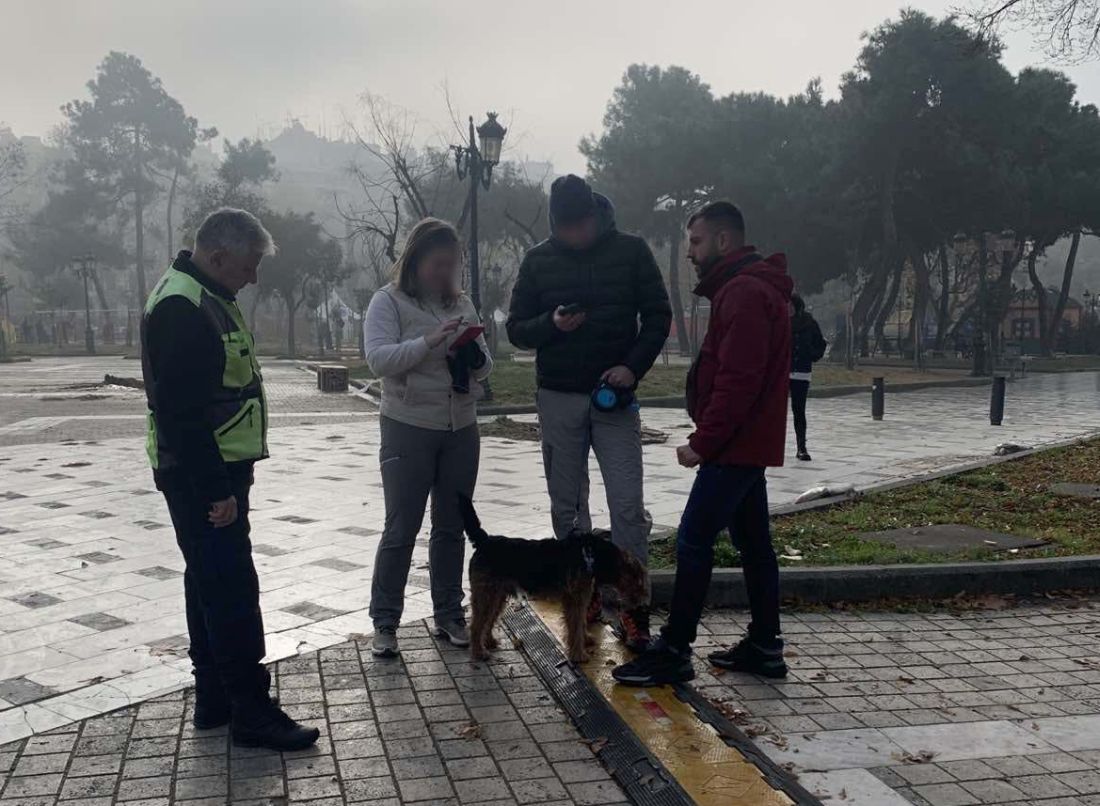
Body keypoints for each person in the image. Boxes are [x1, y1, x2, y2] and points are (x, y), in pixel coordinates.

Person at [141, 208, 319, 751]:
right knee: (232, 589)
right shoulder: (183, 306)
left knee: (208, 582)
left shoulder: (206, 296)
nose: (254, 277)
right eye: (249, 265)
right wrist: (216, 490)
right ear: (216, 257)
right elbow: (180, 412)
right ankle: (251, 711)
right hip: (202, 475)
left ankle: (214, 698)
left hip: (211, 470)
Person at [613, 201, 792, 686]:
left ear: (723, 241)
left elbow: (739, 381)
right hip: (746, 444)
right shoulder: (747, 289)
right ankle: (765, 645)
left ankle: (674, 649)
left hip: (734, 446)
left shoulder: (745, 294)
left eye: (695, 242)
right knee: (755, 545)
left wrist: (703, 442)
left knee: (693, 539)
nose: (689, 253)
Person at [506, 174, 671, 651]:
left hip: (613, 396)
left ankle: (636, 610)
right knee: (567, 507)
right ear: (554, 224)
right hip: (558, 396)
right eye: (564, 228)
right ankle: (586, 596)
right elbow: (517, 329)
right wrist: (552, 325)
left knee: (627, 507)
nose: (574, 236)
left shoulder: (631, 251)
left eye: (581, 226)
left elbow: (658, 316)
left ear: (596, 216)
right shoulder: (538, 260)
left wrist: (631, 367)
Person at [364, 218, 492, 658]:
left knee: (452, 525)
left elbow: (486, 366)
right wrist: (428, 341)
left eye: (452, 265)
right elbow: (378, 360)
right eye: (438, 264)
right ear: (416, 260)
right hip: (408, 424)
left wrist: (473, 352)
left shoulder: (462, 303)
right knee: (402, 527)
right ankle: (385, 621)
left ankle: (449, 614)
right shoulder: (389, 302)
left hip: (461, 425)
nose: (445, 274)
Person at [790, 293, 827, 461]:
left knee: (799, 411)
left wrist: (811, 355)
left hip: (801, 372)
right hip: (781, 373)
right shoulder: (778, 322)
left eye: (790, 306)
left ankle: (801, 447)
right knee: (773, 411)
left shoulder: (809, 324)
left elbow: (820, 344)